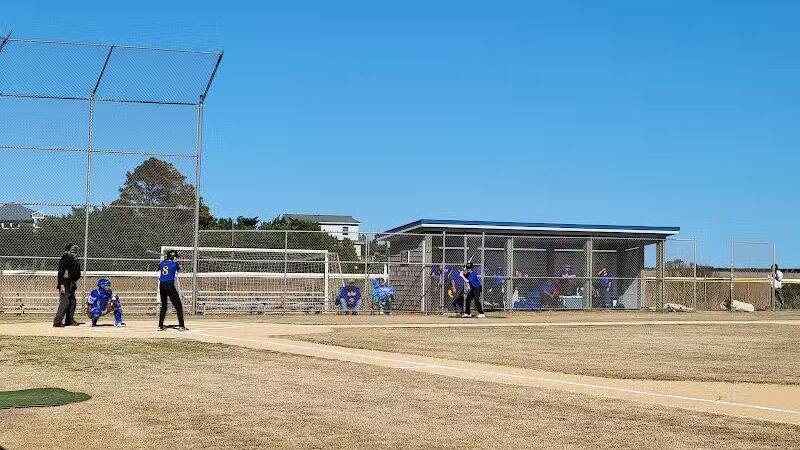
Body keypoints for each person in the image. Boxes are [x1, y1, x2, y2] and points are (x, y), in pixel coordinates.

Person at [53, 243, 82, 327]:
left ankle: (69, 320)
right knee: (64, 302)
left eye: (76, 251)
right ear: (68, 251)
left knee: (72, 302)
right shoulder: (65, 258)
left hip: (71, 283)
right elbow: (61, 272)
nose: (75, 252)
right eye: (73, 250)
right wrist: (61, 284)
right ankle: (57, 321)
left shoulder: (74, 259)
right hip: (65, 283)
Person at [158, 249, 186, 331]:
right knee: (178, 306)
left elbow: (160, 267)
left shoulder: (162, 263)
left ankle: (160, 325)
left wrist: (167, 261)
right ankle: (181, 326)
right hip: (169, 285)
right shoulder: (175, 264)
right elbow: (178, 268)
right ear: (173, 257)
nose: (176, 258)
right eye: (175, 257)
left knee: (164, 306)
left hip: (162, 285)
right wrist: (173, 262)